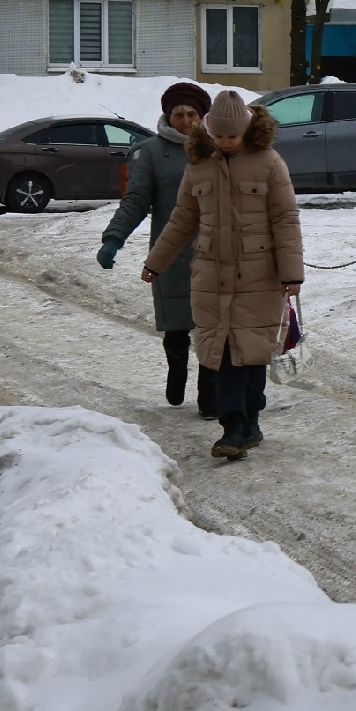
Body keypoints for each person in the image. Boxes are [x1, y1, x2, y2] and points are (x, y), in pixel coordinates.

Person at [142, 88, 303, 457]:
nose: (226, 142)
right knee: (226, 352)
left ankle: (251, 421)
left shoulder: (269, 162)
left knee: (253, 353)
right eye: (220, 135)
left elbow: (285, 219)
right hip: (211, 274)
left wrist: (291, 274)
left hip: (260, 274)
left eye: (233, 136)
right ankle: (232, 427)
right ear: (210, 130)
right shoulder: (198, 165)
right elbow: (183, 219)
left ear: (246, 130)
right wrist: (157, 262)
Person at [97, 82, 215, 415]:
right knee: (177, 328)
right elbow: (135, 200)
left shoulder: (218, 148)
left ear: (203, 116)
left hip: (216, 253)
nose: (186, 120)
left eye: (192, 113)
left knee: (214, 329)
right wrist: (113, 238)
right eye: (179, 114)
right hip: (172, 253)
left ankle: (211, 397)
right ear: (168, 115)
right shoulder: (149, 152)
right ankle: (176, 372)